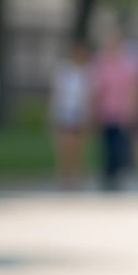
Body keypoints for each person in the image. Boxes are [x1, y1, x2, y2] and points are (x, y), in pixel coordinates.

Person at [91, 33, 138, 191]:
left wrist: (133, 109)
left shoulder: (128, 64)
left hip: (122, 111)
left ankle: (120, 172)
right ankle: (108, 173)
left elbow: (133, 89)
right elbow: (97, 89)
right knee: (107, 144)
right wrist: (94, 110)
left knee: (120, 145)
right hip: (106, 111)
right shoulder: (101, 64)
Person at [49, 42, 92, 191]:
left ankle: (76, 178)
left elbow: (90, 96)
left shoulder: (87, 73)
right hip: (65, 113)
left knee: (78, 148)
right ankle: (65, 177)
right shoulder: (64, 71)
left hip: (80, 114)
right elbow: (57, 94)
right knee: (65, 146)